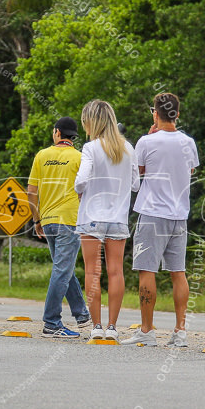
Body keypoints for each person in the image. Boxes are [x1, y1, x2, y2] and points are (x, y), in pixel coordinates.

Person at [122, 92, 199, 348]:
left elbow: (139, 173)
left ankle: (147, 330)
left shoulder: (146, 142)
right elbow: (188, 170)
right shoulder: (188, 142)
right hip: (179, 215)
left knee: (147, 270)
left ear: (155, 113)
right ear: (177, 113)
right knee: (179, 272)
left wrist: (150, 137)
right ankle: (180, 331)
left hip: (153, 214)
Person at [74, 100, 139, 341]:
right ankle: (112, 327)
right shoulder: (128, 148)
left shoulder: (90, 148)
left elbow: (80, 181)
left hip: (91, 216)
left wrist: (81, 192)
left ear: (92, 122)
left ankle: (96, 327)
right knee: (115, 272)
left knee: (92, 272)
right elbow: (135, 185)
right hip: (118, 218)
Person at [28, 116, 93, 338]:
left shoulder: (41, 155)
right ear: (73, 137)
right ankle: (51, 323)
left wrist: (36, 220)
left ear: (57, 133)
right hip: (70, 219)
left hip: (47, 220)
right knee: (62, 270)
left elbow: (31, 193)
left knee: (63, 268)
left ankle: (81, 314)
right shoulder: (79, 157)